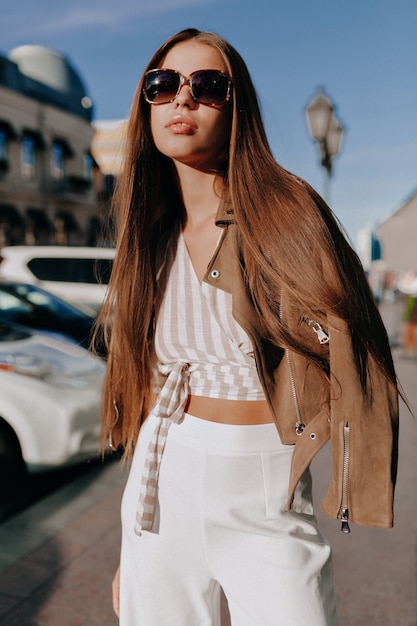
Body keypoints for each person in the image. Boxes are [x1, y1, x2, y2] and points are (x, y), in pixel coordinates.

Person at [96, 28, 400, 625]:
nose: (182, 100)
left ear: (236, 107)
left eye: (207, 86)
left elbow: (354, 341)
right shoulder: (149, 232)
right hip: (165, 478)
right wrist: (135, 543)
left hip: (263, 483)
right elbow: (152, 383)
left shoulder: (282, 210)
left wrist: (351, 482)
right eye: (163, 86)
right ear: (147, 105)